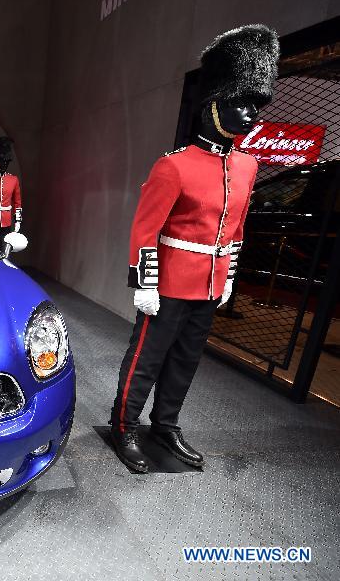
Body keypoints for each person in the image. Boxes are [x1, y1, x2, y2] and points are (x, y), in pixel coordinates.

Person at [110, 25, 279, 473]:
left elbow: (237, 229)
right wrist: (144, 282)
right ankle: (124, 425)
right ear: (214, 107)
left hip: (209, 285)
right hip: (168, 282)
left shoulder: (247, 167)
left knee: (185, 361)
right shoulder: (174, 165)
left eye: (253, 105)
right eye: (240, 102)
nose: (249, 114)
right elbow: (146, 228)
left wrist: (227, 279)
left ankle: (166, 425)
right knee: (147, 359)